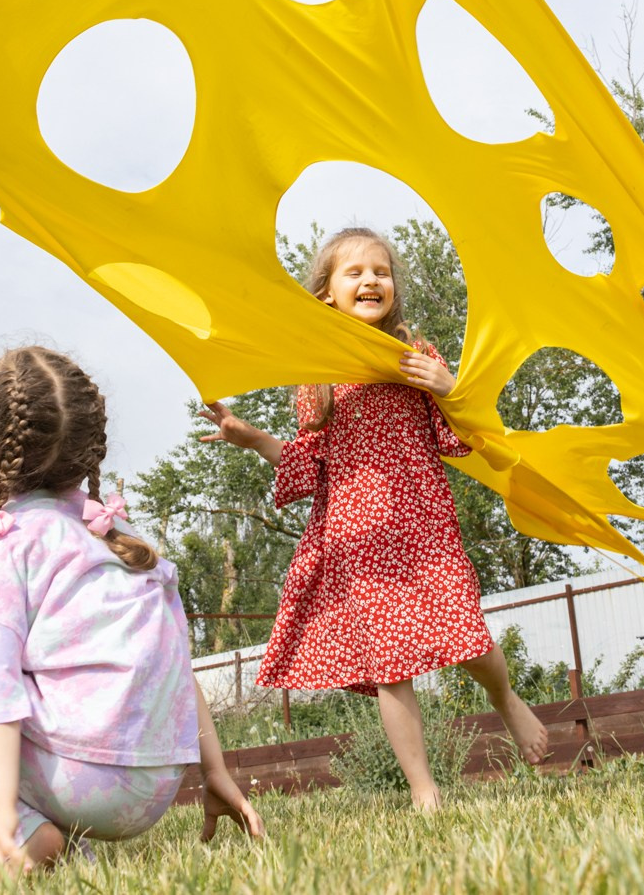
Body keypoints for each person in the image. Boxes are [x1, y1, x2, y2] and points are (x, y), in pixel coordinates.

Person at [197, 227, 549, 810]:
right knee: (391, 664)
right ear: (326, 294)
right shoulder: (317, 376)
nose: (371, 280)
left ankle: (507, 698)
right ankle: (424, 790)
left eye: (381, 272)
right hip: (357, 535)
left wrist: (449, 387)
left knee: (467, 633)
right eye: (355, 273)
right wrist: (253, 437)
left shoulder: (415, 355)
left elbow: (469, 433)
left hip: (423, 522)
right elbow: (309, 460)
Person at [0, 347, 262, 884]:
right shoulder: (126, 545)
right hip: (154, 790)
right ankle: (53, 838)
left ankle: (22, 835)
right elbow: (174, 668)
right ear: (89, 448)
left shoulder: (8, 547)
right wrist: (215, 772)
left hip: (83, 782)